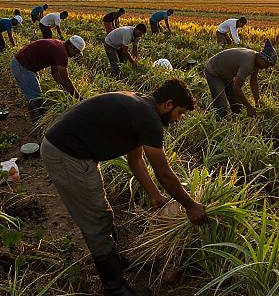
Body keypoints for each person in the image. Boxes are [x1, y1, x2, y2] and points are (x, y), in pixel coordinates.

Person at [40, 79, 207, 296]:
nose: (178, 119)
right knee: (96, 219)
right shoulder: (149, 118)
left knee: (102, 211)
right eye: (180, 113)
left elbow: (135, 160)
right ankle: (115, 288)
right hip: (67, 155)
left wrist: (155, 195)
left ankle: (115, 262)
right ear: (168, 104)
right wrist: (190, 206)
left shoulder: (139, 105)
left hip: (74, 151)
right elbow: (164, 173)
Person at [9, 36, 85, 122]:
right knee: (37, 99)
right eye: (76, 52)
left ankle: (36, 118)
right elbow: (66, 79)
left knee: (34, 95)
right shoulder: (62, 53)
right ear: (71, 47)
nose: (75, 55)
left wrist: (64, 87)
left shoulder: (59, 46)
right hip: (22, 66)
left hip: (24, 65)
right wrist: (80, 98)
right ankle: (37, 124)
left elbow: (55, 73)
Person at [204, 39, 277, 119]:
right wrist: (249, 107)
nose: (266, 68)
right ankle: (219, 125)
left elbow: (253, 82)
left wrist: (257, 102)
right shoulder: (248, 63)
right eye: (267, 64)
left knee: (237, 105)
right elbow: (236, 87)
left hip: (226, 74)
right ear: (262, 58)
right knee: (222, 107)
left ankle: (234, 124)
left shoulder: (256, 60)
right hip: (214, 72)